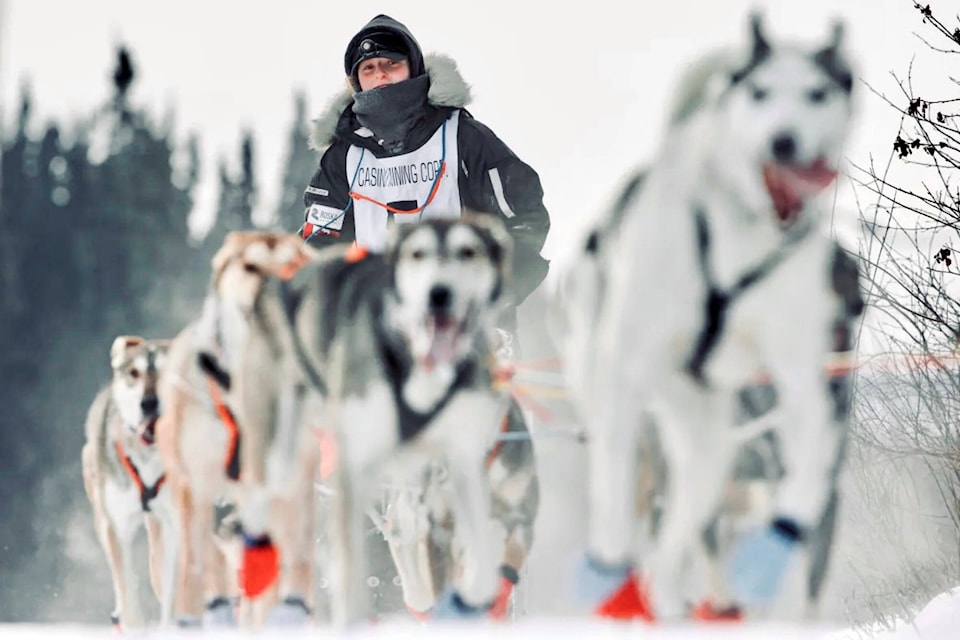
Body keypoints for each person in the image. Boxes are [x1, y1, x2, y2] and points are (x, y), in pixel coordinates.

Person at [299, 14, 551, 335]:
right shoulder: (343, 156)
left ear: (413, 67)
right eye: (369, 68)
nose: (381, 76)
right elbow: (318, 244)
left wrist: (498, 290)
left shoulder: (462, 136)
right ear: (356, 82)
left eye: (391, 63)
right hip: (376, 333)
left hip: (467, 324)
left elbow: (526, 216)